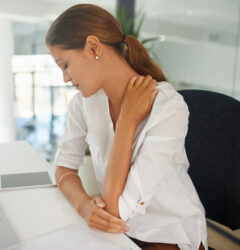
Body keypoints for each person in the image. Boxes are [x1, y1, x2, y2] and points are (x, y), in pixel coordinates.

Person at [45, 3, 208, 250]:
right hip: (120, 236)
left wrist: (127, 122)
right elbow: (64, 168)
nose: (65, 78)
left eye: (65, 64)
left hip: (169, 237)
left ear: (93, 47)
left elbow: (117, 210)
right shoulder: (83, 103)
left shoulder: (167, 107)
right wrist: (84, 205)